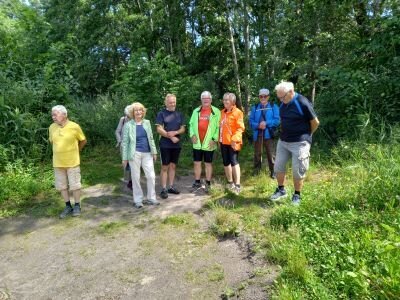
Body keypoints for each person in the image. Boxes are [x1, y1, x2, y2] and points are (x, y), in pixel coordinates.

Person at [270, 81, 320, 205]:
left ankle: (297, 195)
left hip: (300, 142)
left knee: (298, 170)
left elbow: (315, 123)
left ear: (291, 92)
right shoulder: (283, 104)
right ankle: (281, 190)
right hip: (284, 141)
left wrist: (307, 136)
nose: (280, 100)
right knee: (278, 166)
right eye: (279, 97)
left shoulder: (302, 102)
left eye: (282, 97)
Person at [49, 105, 87, 218]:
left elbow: (83, 140)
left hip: (72, 162)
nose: (53, 117)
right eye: (52, 115)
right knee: (62, 186)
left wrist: (77, 150)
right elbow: (52, 142)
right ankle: (67, 206)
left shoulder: (74, 127)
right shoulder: (51, 127)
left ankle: (77, 205)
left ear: (64, 115)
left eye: (55, 114)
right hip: (58, 162)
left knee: (75, 185)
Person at [122, 102, 159, 208]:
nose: (139, 112)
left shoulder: (147, 123)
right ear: (132, 113)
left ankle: (151, 198)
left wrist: (154, 151)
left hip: (147, 153)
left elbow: (151, 138)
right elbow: (125, 142)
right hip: (134, 154)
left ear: (143, 112)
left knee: (151, 176)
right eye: (136, 110)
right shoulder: (128, 125)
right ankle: (138, 200)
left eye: (140, 110)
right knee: (135, 177)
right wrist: (124, 158)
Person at [188, 91, 221, 192]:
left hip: (209, 143)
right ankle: (197, 182)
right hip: (197, 143)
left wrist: (214, 139)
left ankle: (208, 183)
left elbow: (219, 127)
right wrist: (192, 135)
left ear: (211, 100)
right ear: (201, 100)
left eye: (207, 98)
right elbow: (191, 124)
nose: (206, 100)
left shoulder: (216, 111)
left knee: (208, 163)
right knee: (197, 162)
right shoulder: (196, 111)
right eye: (204, 98)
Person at [155, 94, 186, 199]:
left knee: (173, 166)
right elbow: (159, 129)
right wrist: (171, 137)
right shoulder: (161, 114)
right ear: (166, 103)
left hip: (177, 145)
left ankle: (171, 187)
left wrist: (176, 132)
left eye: (174, 102)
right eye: (170, 102)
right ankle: (163, 189)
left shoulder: (179, 114)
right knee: (165, 167)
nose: (172, 104)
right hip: (165, 144)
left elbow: (183, 129)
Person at [249, 88, 280, 178]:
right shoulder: (255, 107)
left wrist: (266, 123)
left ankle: (273, 171)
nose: (263, 98)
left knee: (271, 154)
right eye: (261, 96)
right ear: (259, 97)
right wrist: (258, 125)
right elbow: (251, 121)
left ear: (268, 97)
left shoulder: (273, 106)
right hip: (257, 134)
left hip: (269, 134)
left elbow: (277, 120)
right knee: (257, 153)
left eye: (265, 96)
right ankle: (257, 170)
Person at [219, 92, 245, 194]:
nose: (225, 101)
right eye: (224, 99)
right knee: (226, 162)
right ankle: (230, 182)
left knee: (234, 162)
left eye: (227, 100)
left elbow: (240, 128)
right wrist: (218, 139)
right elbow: (220, 127)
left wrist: (234, 139)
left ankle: (237, 185)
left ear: (232, 102)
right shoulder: (222, 112)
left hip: (233, 142)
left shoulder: (238, 112)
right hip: (223, 141)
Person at [115, 105, 133, 189]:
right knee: (126, 164)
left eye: (129, 115)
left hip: (134, 146)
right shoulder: (122, 120)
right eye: (127, 115)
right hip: (124, 145)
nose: (128, 116)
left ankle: (132, 181)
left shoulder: (136, 120)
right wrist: (119, 140)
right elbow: (117, 131)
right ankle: (128, 180)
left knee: (134, 163)